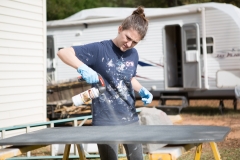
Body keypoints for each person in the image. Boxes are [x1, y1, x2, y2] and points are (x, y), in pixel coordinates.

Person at [57, 6, 153, 160]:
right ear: (120, 29)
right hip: (105, 121)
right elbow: (63, 52)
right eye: (128, 38)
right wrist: (83, 68)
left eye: (134, 42)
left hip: (130, 118)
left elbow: (129, 77)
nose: (129, 44)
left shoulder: (133, 54)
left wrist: (142, 89)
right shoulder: (99, 49)